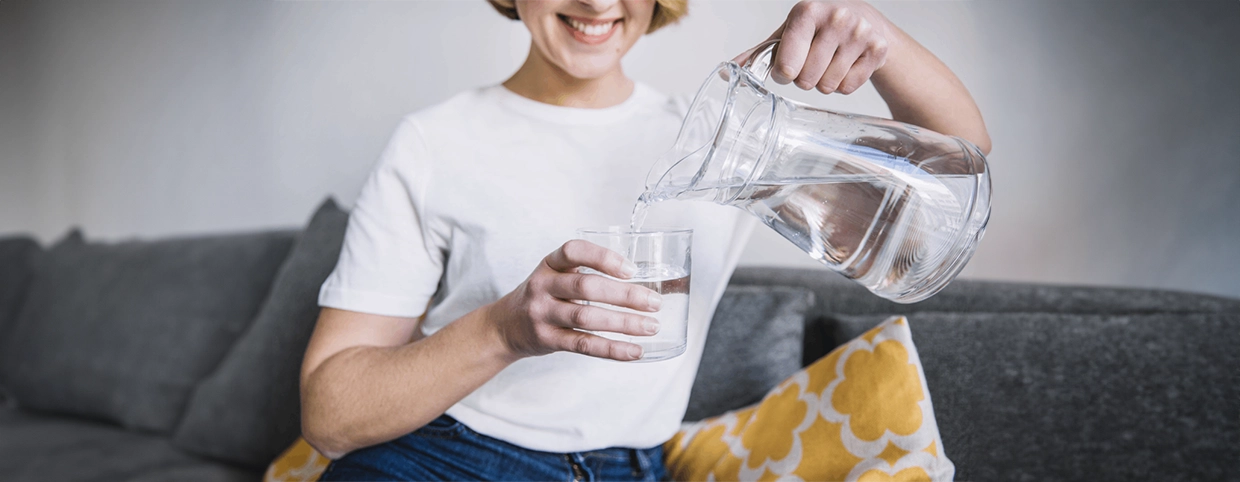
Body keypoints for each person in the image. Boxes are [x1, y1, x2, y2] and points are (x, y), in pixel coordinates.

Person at [299, 0, 990, 480]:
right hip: (445, 458)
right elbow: (329, 416)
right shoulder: (434, 143)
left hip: (632, 466)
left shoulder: (719, 145)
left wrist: (880, 40)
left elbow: (959, 171)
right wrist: (505, 330)